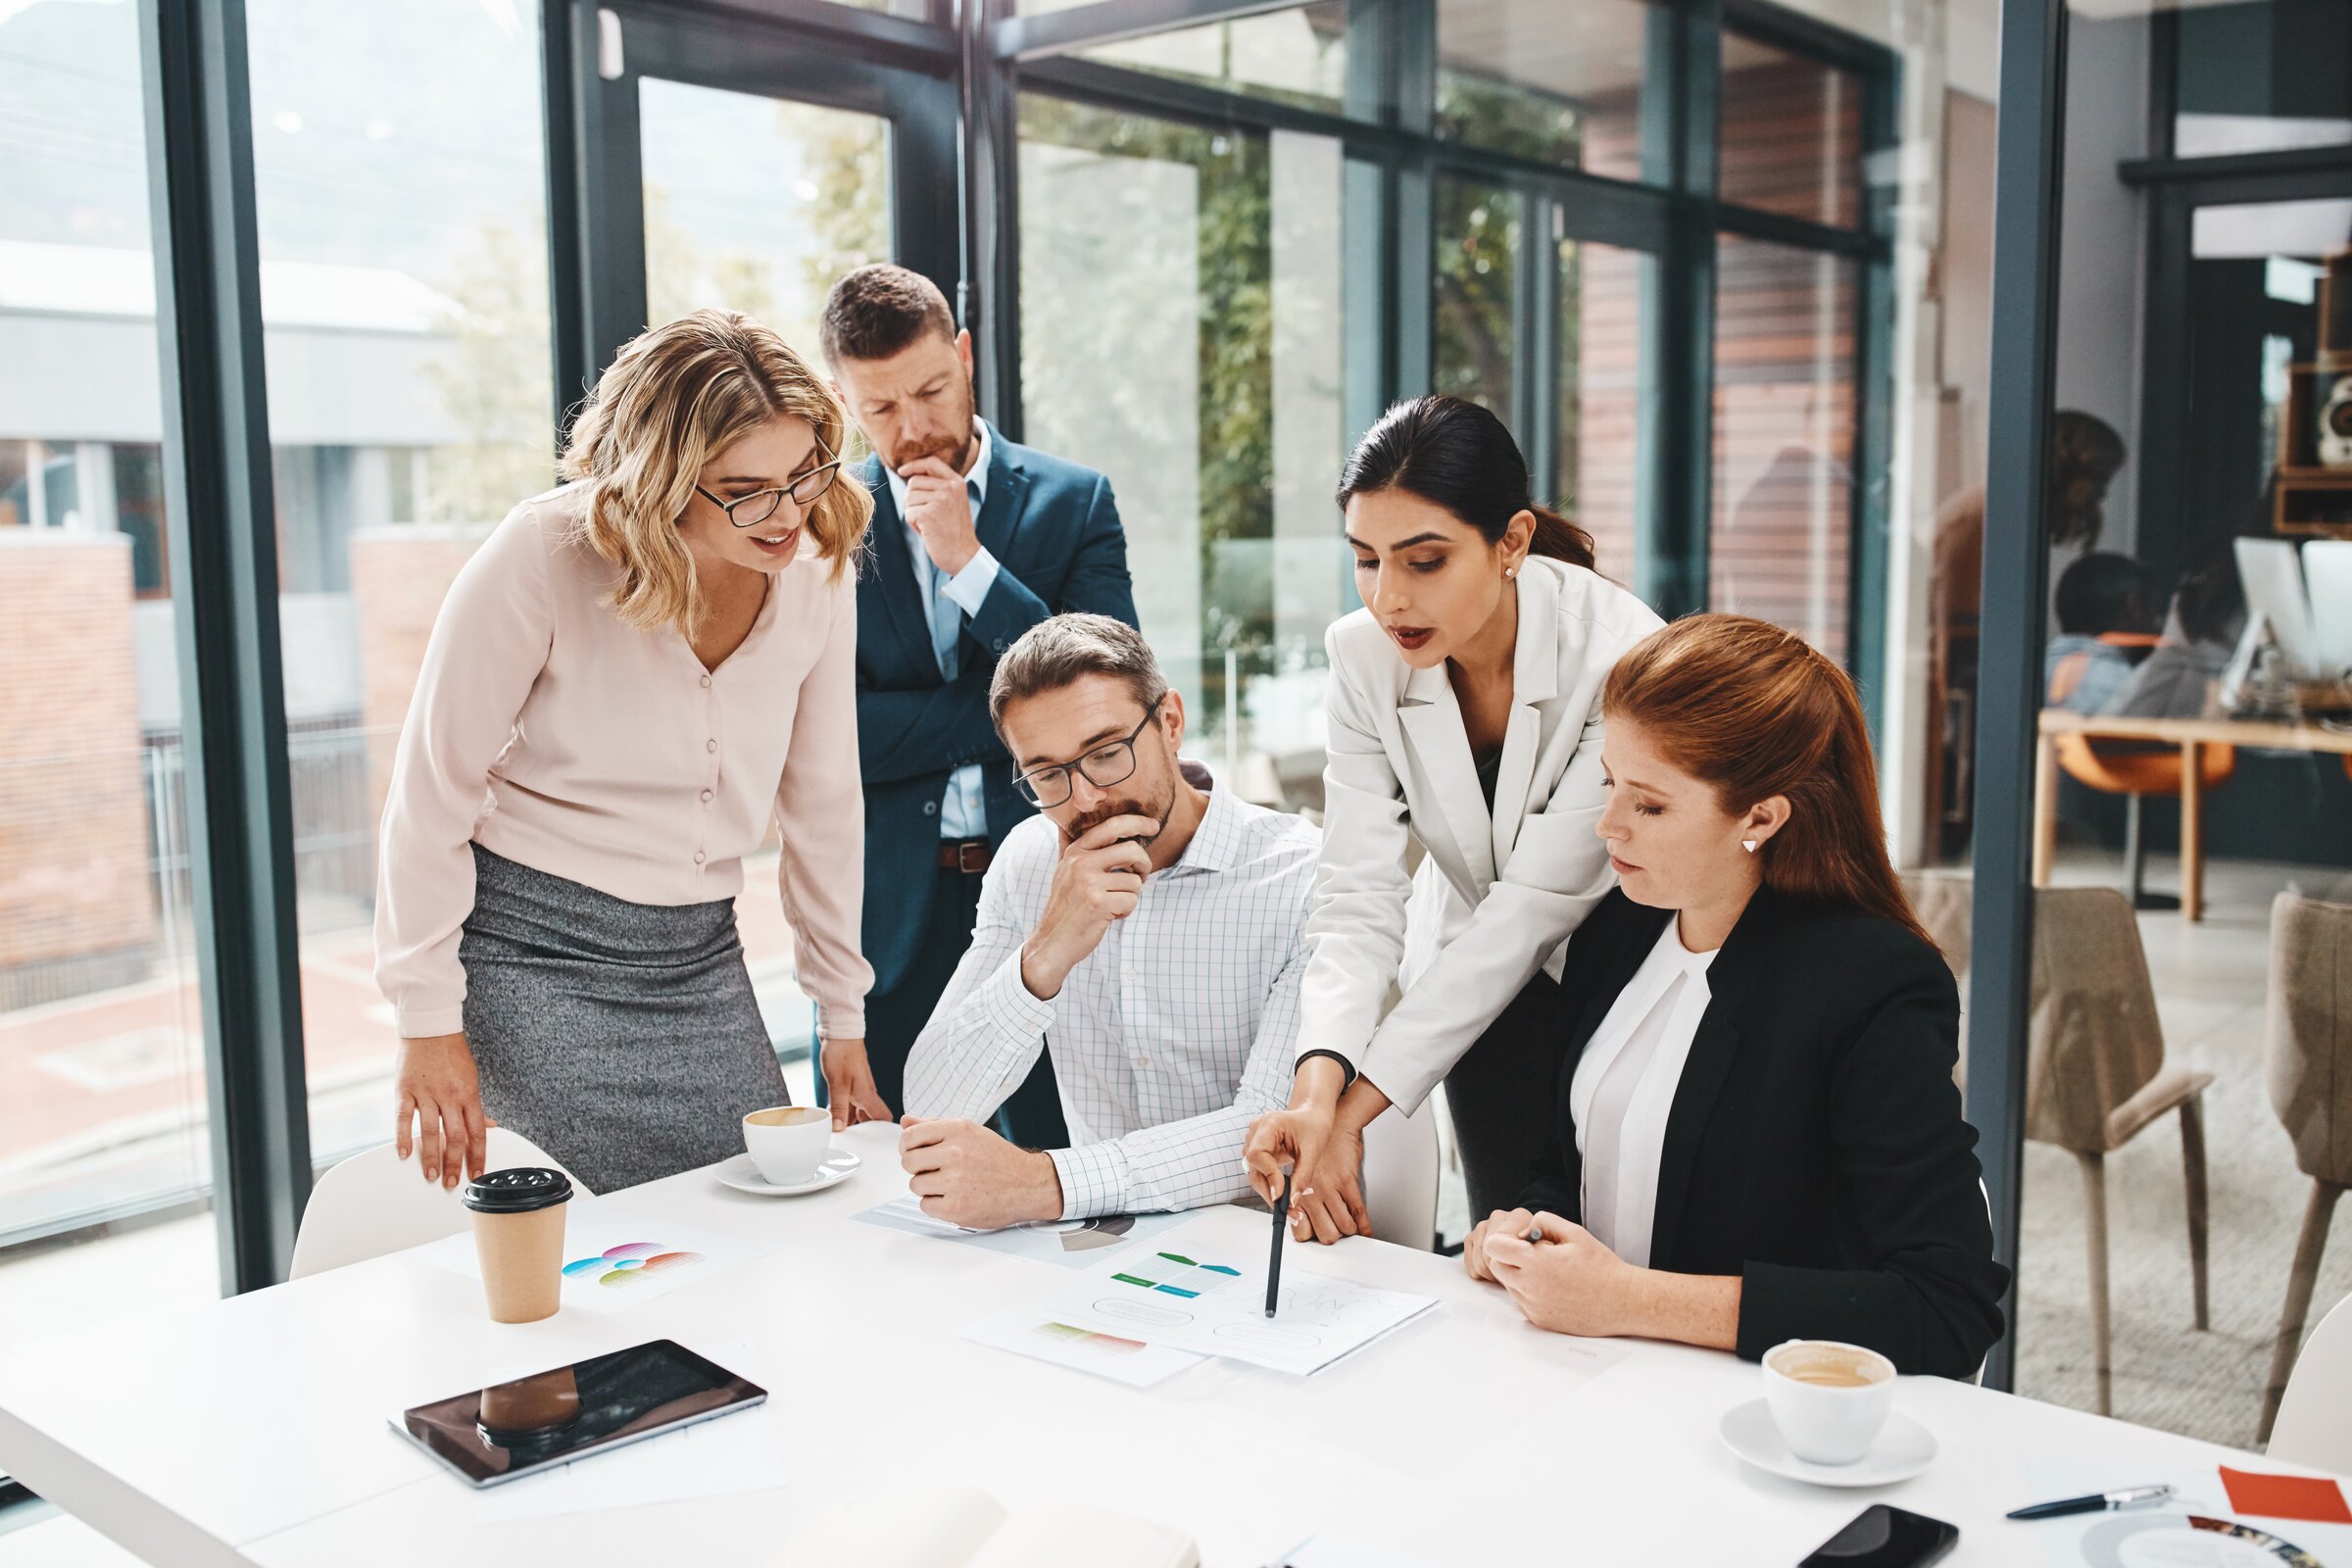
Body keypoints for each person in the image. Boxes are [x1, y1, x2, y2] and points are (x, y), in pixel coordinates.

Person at [374, 310, 875, 1193]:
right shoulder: (542, 555)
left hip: (702, 960)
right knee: (584, 1264)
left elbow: (824, 799)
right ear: (663, 480)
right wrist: (427, 1020)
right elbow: (432, 791)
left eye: (804, 474)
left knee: (752, 1230)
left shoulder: (819, 566)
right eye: (746, 488)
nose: (787, 513)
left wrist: (843, 1016)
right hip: (531, 961)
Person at [1463, 614, 2007, 1378]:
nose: (1606, 825)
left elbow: (1947, 1307)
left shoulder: (1872, 984)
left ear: (1761, 816)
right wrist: (1528, 1227)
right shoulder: (1619, 925)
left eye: (1649, 805)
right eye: (1609, 783)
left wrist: (1628, 1299)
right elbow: (1573, 1153)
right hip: (1593, 1375)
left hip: (1747, 1411)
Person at [1243, 394, 1664, 1239]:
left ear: (1510, 542)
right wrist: (1317, 1086)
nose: (1387, 598)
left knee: (1621, 1243)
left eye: (1423, 561)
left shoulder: (1619, 651)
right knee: (1503, 1234)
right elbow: (1357, 893)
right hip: (1475, 983)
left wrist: (1354, 1117)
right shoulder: (1362, 656)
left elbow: (1535, 906)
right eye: (1365, 559)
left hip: (1627, 971)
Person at [821, 265, 1137, 1145]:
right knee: (887, 1172)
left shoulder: (1075, 504)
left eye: (930, 389)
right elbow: (827, 739)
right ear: (845, 401)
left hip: (1045, 890)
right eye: (881, 409)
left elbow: (1106, 689)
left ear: (963, 357)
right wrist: (1004, 722)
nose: (914, 429)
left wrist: (971, 567)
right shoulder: (824, 524)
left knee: (1054, 1155)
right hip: (889, 912)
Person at [898, 614, 1317, 1227]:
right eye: (1047, 774)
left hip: (1269, 1245)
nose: (1086, 798)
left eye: (1106, 753)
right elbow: (933, 1106)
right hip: (1104, 1253)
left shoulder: (1302, 876)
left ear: (1170, 722)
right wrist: (1046, 954)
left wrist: (1046, 1184)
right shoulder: (1030, 858)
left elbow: (1268, 1134)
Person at [2045, 551, 2158, 713]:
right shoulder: (2126, 685)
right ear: (2133, 607)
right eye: (2152, 609)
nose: (2156, 622)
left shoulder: (2034, 670)